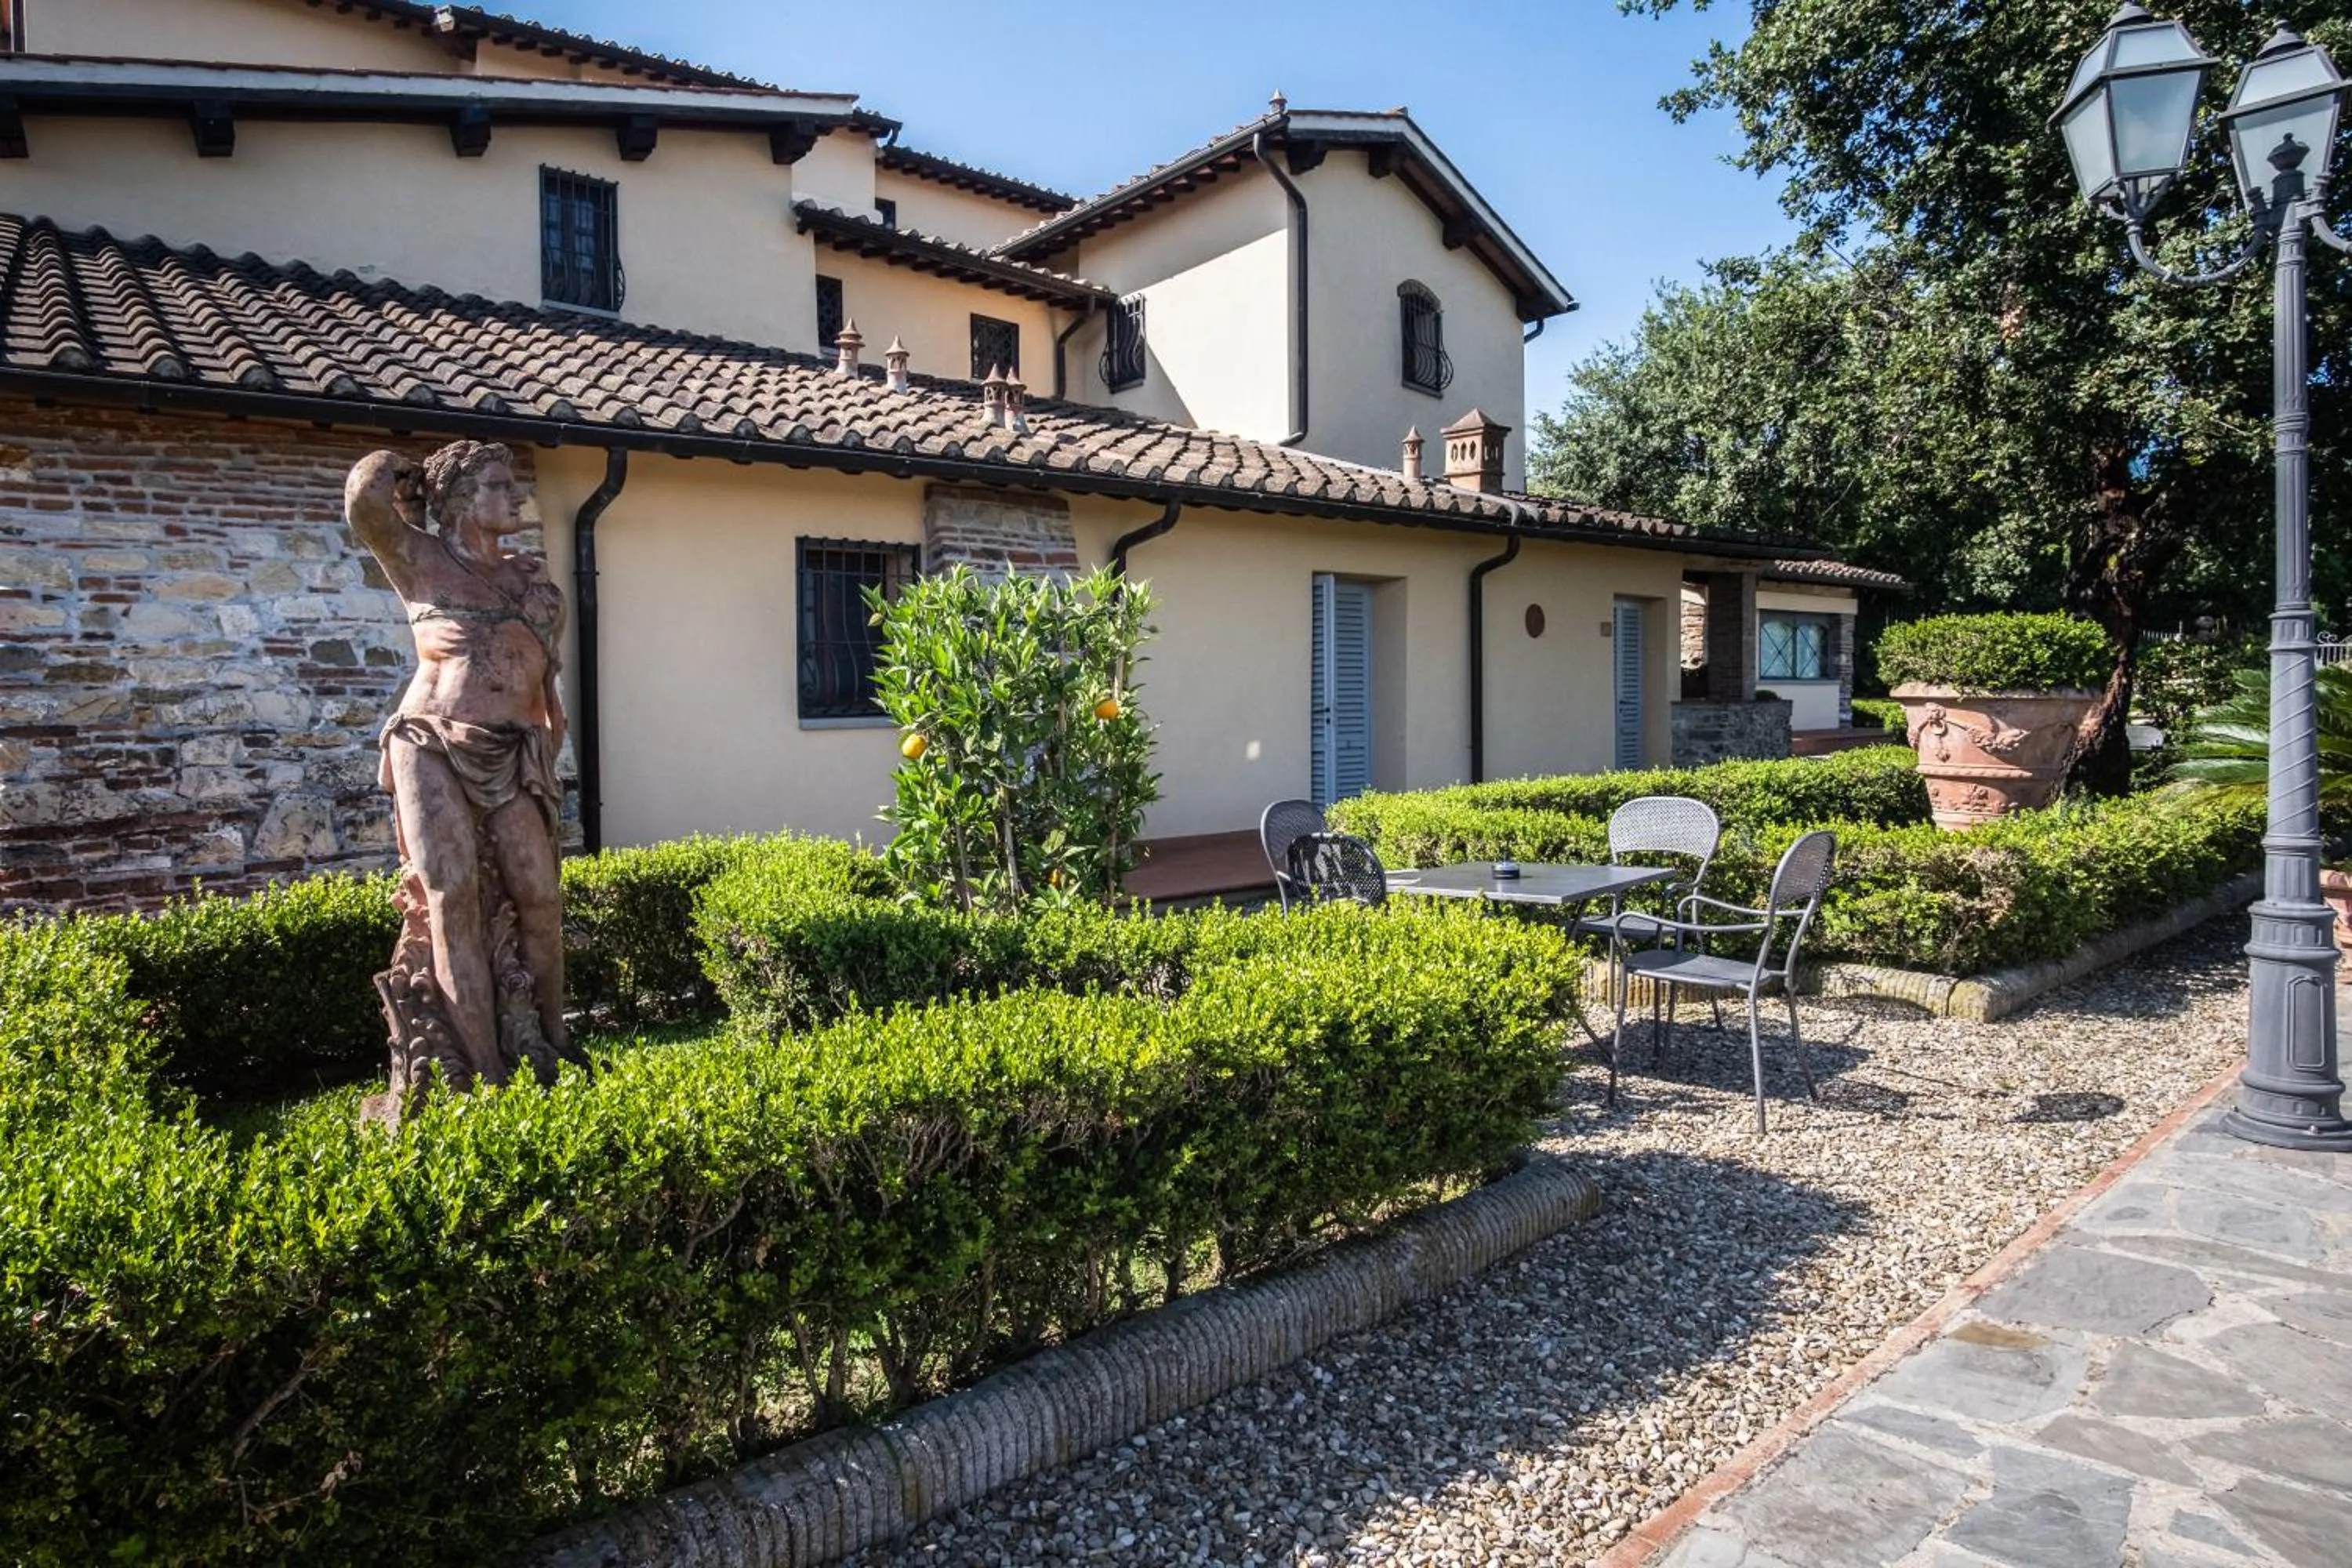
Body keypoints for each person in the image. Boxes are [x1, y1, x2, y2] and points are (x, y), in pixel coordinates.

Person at [345, 441, 568, 1087]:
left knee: (541, 897)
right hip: (430, 741)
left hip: (513, 750)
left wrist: (547, 752)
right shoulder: (421, 560)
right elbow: (364, 505)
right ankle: (483, 1068)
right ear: (463, 499)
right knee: (451, 895)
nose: (518, 497)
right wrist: (395, 466)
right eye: (501, 486)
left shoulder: (537, 588)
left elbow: (541, 684)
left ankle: (553, 1040)